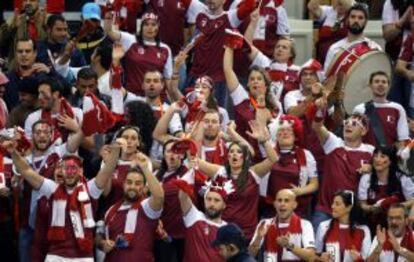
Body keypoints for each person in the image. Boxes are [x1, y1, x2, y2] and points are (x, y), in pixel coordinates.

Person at [7, 138, 121, 261]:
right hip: (55, 255)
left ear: (81, 171)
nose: (70, 172)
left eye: (74, 168)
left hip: (84, 257)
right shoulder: (51, 188)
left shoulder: (90, 189)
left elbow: (108, 169)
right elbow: (26, 170)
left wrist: (115, 150)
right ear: (62, 171)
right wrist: (13, 152)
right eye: (67, 168)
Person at [195, 120, 279, 239]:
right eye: (231, 152)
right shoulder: (220, 172)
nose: (234, 154)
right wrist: (200, 124)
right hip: (223, 232)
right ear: (228, 156)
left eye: (239, 152)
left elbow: (273, 159)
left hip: (247, 234)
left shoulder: (253, 173)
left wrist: (264, 141)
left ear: (245, 157)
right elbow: (195, 160)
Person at [312, 107, 374, 227]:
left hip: (352, 211)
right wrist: (320, 109)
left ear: (364, 131)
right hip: (326, 209)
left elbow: (387, 167)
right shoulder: (334, 143)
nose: (348, 126)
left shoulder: (370, 152)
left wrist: (372, 167)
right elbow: (317, 126)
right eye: (346, 123)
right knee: (316, 246)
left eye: (354, 124)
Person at [97, 153, 164, 261]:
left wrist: (145, 168)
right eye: (129, 182)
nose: (132, 186)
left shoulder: (147, 208)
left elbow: (159, 196)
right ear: (123, 185)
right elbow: (99, 235)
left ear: (144, 188)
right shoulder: (111, 210)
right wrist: (101, 244)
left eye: (138, 183)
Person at [188, 0, 256, 107]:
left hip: (217, 81)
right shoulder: (198, 11)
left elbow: (250, 5)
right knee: (190, 115)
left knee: (217, 116)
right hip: (196, 76)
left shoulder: (230, 17)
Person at [223, 45, 279, 162]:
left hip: (266, 157)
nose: (255, 81)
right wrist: (230, 45)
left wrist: (260, 104)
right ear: (247, 84)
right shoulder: (242, 98)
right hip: (242, 155)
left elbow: (260, 125)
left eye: (259, 79)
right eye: (252, 79)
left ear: (266, 84)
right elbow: (228, 70)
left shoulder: (275, 106)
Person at [104, 12, 173, 97]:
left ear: (158, 27)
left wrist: (175, 99)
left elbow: (168, 80)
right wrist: (108, 19)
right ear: (141, 27)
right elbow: (110, 31)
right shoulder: (130, 40)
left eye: (153, 24)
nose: (150, 28)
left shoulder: (165, 49)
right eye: (146, 24)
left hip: (156, 98)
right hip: (132, 96)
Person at [263, 115, 318, 218]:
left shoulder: (306, 155)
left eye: (289, 130)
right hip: (270, 209)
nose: (285, 133)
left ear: (295, 136)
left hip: (298, 209)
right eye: (281, 130)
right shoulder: (268, 150)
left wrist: (300, 191)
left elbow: (314, 184)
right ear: (276, 135)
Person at [249, 189, 316, 261]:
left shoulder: (305, 224)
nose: (282, 204)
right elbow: (250, 255)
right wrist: (258, 238)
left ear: (294, 205)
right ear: (275, 204)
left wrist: (289, 245)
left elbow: (311, 257)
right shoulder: (265, 224)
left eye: (286, 200)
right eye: (279, 200)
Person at [178, 177, 233, 262]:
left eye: (216, 200)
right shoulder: (194, 217)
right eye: (209, 199)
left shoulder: (229, 230)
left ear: (224, 205)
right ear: (204, 201)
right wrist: (191, 171)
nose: (211, 204)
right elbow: (182, 196)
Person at [353, 71, 409, 148]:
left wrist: (400, 154)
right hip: (366, 156)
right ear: (370, 85)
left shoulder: (398, 108)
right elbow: (354, 137)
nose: (380, 84)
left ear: (389, 86)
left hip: (388, 157)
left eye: (384, 82)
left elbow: (402, 138)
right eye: (376, 81)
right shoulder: (360, 109)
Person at [324, 3, 382, 73]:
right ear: (347, 20)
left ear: (365, 22)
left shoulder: (374, 48)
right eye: (353, 17)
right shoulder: (335, 49)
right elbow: (327, 79)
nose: (356, 20)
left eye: (360, 18)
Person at [315, 190, 371, 261]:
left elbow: (367, 260)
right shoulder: (324, 226)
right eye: (333, 203)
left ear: (349, 207)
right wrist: (320, 259)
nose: (332, 206)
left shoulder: (363, 230)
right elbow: (316, 256)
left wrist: (358, 260)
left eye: (337, 204)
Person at [24, 77, 83, 143]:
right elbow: (29, 150)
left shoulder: (77, 113)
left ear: (55, 94)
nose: (39, 97)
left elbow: (91, 145)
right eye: (39, 93)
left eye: (43, 93)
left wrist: (76, 128)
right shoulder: (33, 118)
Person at [247, 36, 300, 104]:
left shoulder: (298, 71)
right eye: (277, 47)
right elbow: (247, 46)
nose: (280, 49)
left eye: (284, 47)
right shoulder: (265, 63)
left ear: (291, 54)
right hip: (264, 107)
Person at [0, 0, 47, 68]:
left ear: (39, 2)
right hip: (17, 69)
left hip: (42, 68)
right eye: (25, 0)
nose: (28, 3)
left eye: (32, 0)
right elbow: (1, 39)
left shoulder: (47, 19)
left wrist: (45, 26)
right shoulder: (16, 19)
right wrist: (13, 27)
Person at [308, 0, 355, 64]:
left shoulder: (353, 12)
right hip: (323, 56)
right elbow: (311, 6)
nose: (339, 5)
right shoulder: (329, 10)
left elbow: (348, 5)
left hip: (342, 57)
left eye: (341, 4)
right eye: (338, 3)